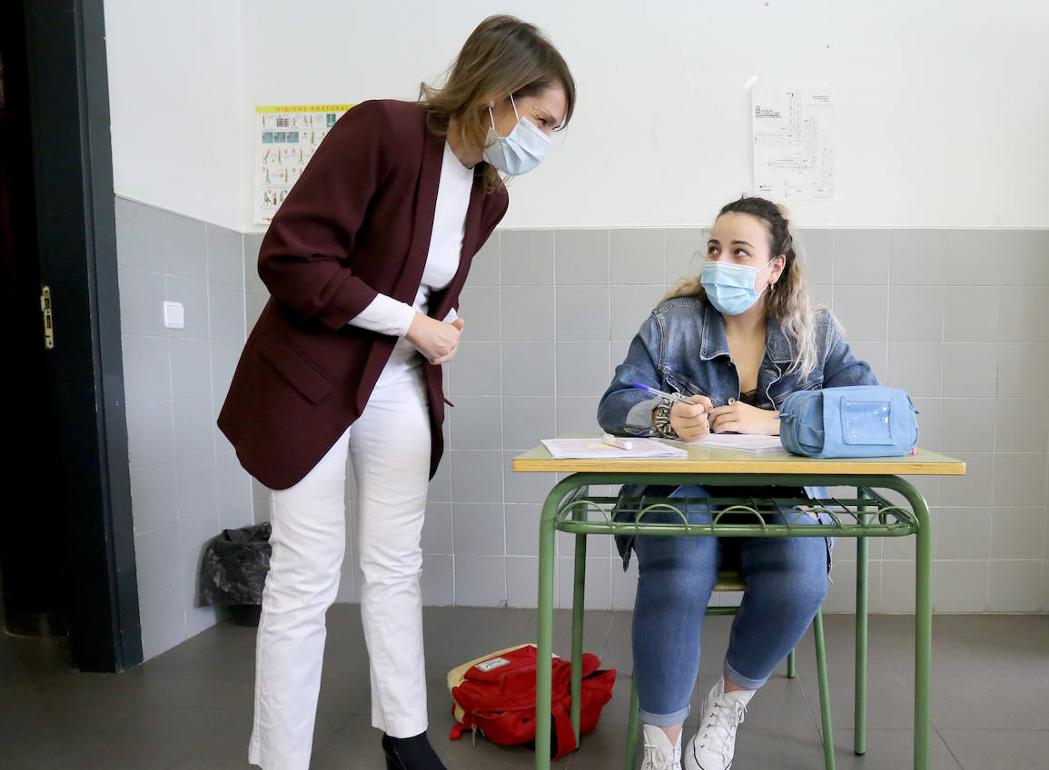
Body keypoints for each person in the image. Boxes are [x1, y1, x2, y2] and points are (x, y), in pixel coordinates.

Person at [217, 16, 574, 770]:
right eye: (542, 119)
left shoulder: (488, 195)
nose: (545, 140)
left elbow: (421, 285)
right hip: (311, 381)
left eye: (556, 128)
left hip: (399, 382)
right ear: (498, 89)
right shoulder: (384, 130)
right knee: (304, 576)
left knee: (394, 564)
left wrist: (433, 322)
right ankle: (277, 760)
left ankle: (405, 738)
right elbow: (291, 259)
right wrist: (412, 322)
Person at [598, 197, 877, 770]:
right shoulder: (672, 322)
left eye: (740, 252)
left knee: (801, 577)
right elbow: (615, 403)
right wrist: (665, 416)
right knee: (678, 568)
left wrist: (776, 421)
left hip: (780, 496)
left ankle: (727, 703)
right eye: (714, 249)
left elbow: (868, 409)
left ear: (775, 267)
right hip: (681, 493)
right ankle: (663, 747)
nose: (720, 262)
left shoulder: (814, 331)